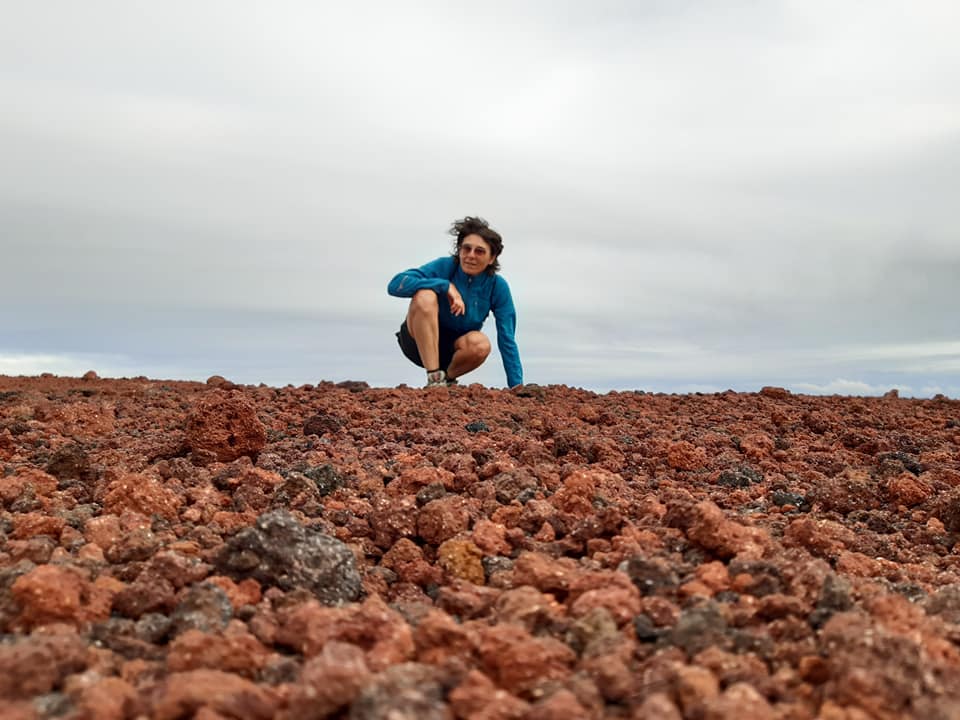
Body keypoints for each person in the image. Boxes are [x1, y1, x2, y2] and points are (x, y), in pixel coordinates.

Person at [388, 216, 523, 388]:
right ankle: (434, 377)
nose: (470, 256)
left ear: (491, 258)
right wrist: (443, 285)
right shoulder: (444, 267)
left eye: (479, 251)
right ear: (459, 250)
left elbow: (507, 337)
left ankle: (445, 379)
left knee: (481, 343)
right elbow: (395, 285)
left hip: (455, 352)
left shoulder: (497, 286)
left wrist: (516, 387)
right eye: (466, 249)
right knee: (425, 295)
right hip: (417, 343)